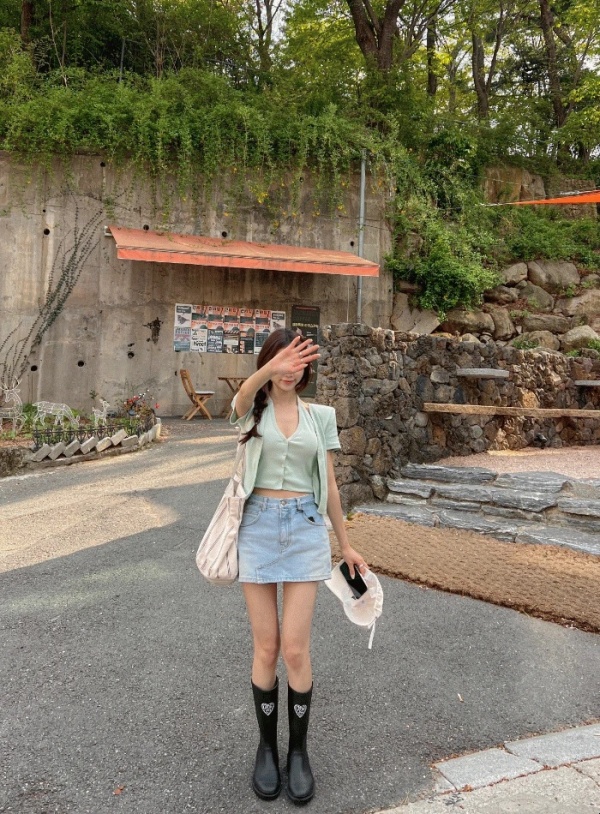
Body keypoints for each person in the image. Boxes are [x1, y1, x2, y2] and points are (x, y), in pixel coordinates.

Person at [230, 328, 367, 804]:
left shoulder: (320, 416)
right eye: (282, 362)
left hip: (306, 528)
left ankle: (299, 752)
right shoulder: (252, 409)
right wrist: (271, 368)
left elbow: (329, 483)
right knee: (266, 647)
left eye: (298, 363)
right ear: (270, 363)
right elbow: (241, 396)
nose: (290, 371)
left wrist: (345, 545)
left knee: (294, 650)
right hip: (257, 528)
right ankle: (267, 749)